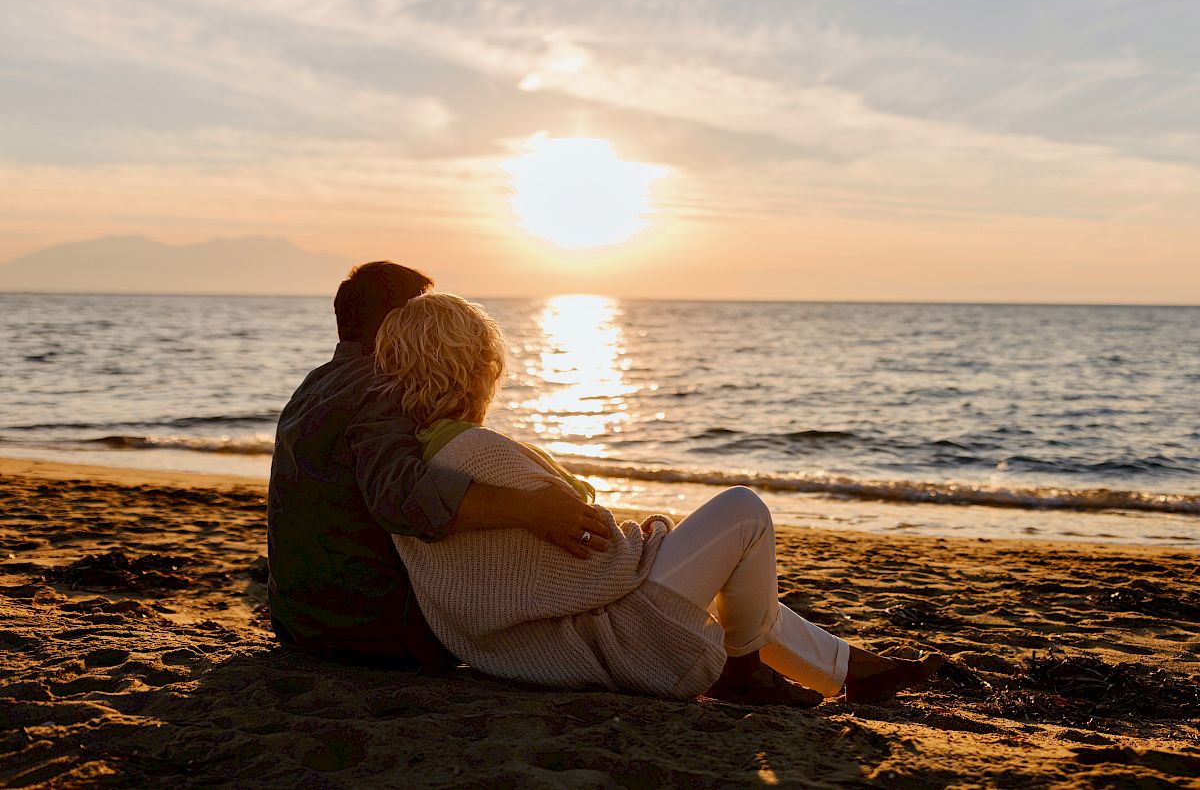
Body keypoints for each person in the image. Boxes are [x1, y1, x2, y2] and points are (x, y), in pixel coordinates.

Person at [374, 292, 943, 703]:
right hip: (607, 641)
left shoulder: (417, 462)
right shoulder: (477, 453)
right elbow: (590, 563)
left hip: (534, 646)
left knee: (733, 582)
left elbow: (537, 565)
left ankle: (846, 670)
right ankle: (747, 671)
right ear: (479, 366)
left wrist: (644, 543)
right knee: (744, 512)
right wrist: (652, 541)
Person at [267, 262, 611, 669]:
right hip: (373, 631)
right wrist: (532, 510)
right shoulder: (380, 387)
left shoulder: (317, 383)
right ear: (401, 321)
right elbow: (402, 498)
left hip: (300, 621)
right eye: (424, 309)